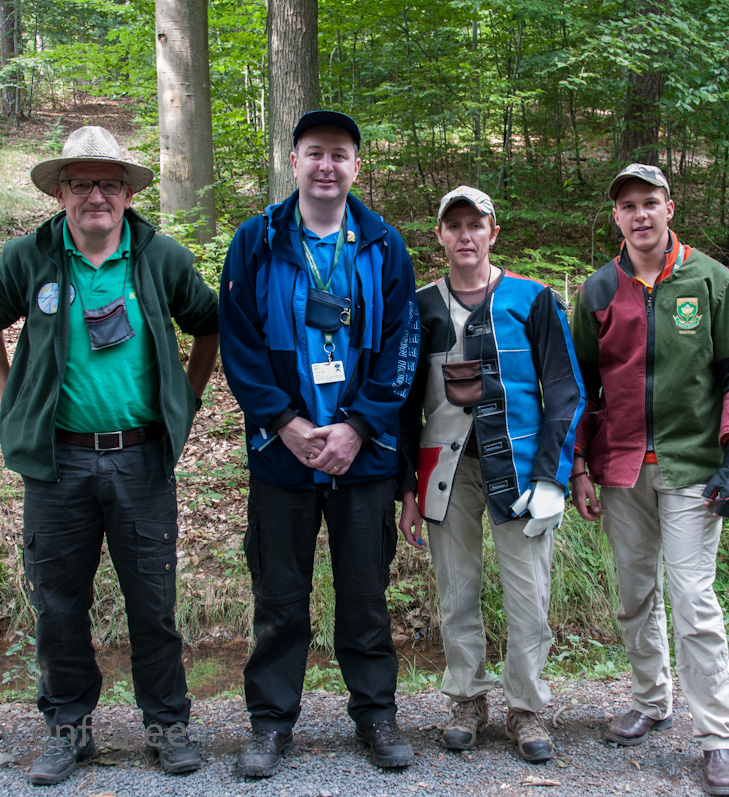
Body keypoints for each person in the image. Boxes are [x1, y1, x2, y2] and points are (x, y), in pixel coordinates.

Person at [0, 126, 220, 786]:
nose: (96, 196)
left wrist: (186, 400)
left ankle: (166, 726)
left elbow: (208, 324)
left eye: (109, 183)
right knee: (58, 605)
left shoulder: (161, 257)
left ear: (127, 192)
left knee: (153, 604)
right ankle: (68, 730)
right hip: (58, 465)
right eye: (82, 183)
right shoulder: (29, 258)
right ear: (60, 193)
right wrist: (13, 398)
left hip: (142, 461)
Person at [218, 110, 420, 778]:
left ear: (356, 166)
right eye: (314, 152)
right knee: (279, 597)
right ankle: (271, 724)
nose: (326, 165)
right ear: (294, 161)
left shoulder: (383, 244)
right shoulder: (256, 240)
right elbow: (239, 342)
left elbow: (402, 344)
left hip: (365, 456)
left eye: (339, 154)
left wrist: (359, 426)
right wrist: (284, 422)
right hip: (284, 453)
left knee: (365, 594)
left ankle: (376, 715)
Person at [569, 163, 729, 796]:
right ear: (617, 217)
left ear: (669, 208)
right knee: (635, 596)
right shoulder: (598, 290)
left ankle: (719, 737)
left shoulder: (710, 280)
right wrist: (579, 465)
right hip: (622, 467)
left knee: (693, 601)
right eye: (628, 206)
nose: (640, 215)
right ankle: (652, 700)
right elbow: (579, 388)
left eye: (650, 202)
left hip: (692, 467)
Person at [398, 187, 585, 762]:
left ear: (493, 232)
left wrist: (553, 477)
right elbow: (402, 405)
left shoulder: (534, 300)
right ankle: (467, 699)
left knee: (529, 595)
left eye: (475, 225)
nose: (465, 235)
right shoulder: (420, 307)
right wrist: (406, 489)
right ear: (439, 235)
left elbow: (565, 389)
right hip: (445, 471)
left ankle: (526, 707)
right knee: (456, 591)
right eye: (453, 225)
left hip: (522, 474)